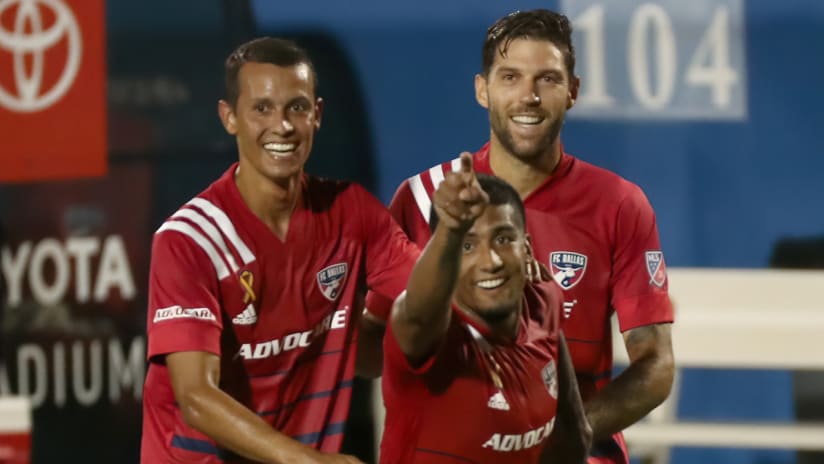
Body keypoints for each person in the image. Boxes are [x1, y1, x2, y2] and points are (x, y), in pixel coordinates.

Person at [364, 9, 674, 463]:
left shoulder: (619, 204)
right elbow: (370, 347)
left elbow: (656, 365)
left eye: (547, 79)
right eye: (510, 77)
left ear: (572, 91)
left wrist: (564, 432)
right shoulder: (425, 198)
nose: (528, 96)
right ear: (482, 90)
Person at [140, 37, 420, 463]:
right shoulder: (189, 240)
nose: (283, 126)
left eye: (297, 107)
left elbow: (429, 306)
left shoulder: (352, 213)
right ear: (229, 117)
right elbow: (195, 397)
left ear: (317, 115)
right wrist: (312, 461)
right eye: (262, 109)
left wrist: (458, 244)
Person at [381, 155, 590, 463]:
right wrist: (451, 229)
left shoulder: (543, 302)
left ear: (527, 249)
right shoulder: (429, 335)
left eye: (503, 239)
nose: (490, 262)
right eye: (466, 246)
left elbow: (574, 435)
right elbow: (417, 313)